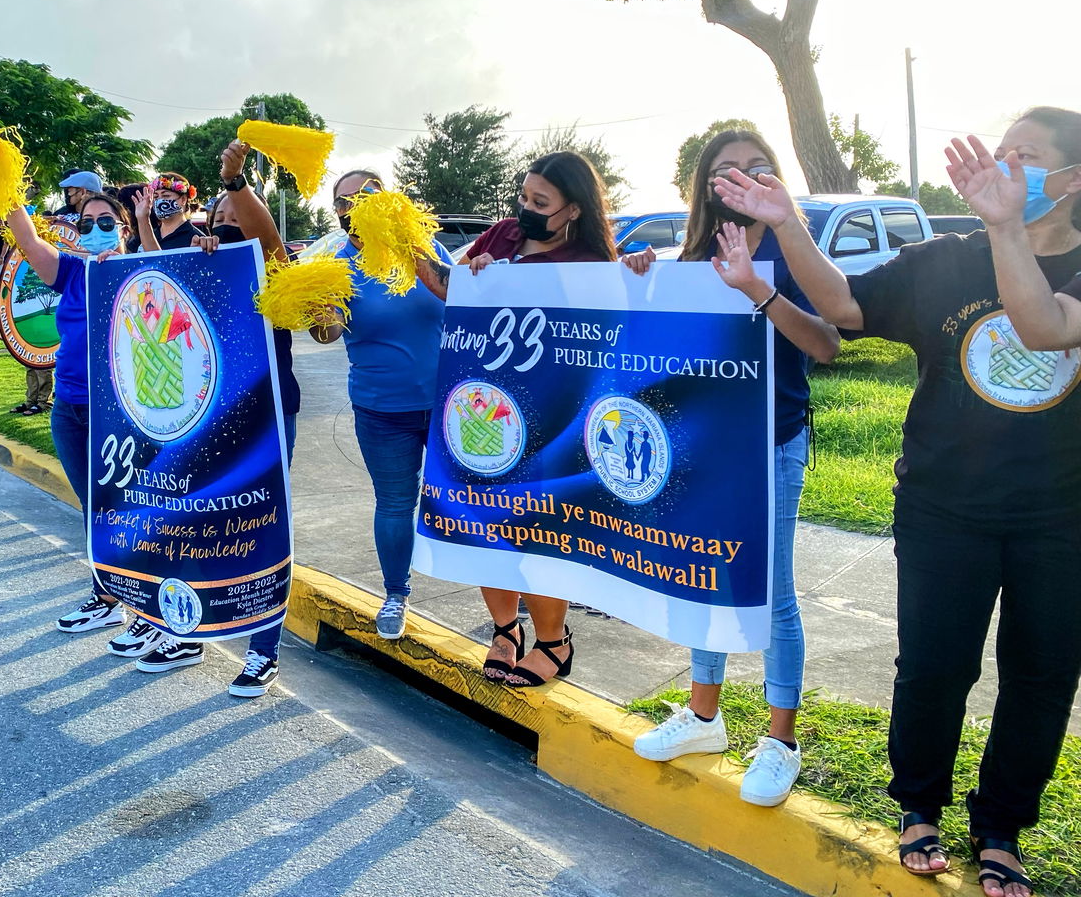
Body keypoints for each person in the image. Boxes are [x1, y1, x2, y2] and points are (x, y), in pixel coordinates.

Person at [712, 109, 1081, 897]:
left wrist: (1007, 230)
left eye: (1030, 157)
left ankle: (1002, 827)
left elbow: (1046, 329)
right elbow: (845, 308)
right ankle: (918, 807)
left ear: (1073, 180)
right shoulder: (943, 261)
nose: (1006, 166)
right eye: (1002, 149)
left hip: (1062, 515)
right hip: (944, 506)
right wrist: (792, 228)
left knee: (1042, 674)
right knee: (935, 667)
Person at [620, 130, 838, 809]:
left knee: (772, 592)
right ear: (704, 187)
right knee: (702, 576)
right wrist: (639, 280)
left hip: (770, 441)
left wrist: (759, 292)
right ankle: (704, 718)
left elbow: (827, 344)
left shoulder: (789, 244)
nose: (741, 180)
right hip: (703, 446)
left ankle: (780, 742)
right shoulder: (691, 256)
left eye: (757, 167)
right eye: (724, 171)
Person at [416, 153, 627, 689]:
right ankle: (505, 630)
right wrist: (472, 274)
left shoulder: (591, 263)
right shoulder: (503, 235)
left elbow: (619, 328)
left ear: (573, 210)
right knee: (485, 524)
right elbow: (452, 291)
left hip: (551, 418)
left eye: (541, 203)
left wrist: (641, 274)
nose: (525, 210)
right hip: (484, 403)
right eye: (524, 197)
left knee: (539, 530)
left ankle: (554, 641)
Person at [114, 141, 303, 696]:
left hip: (266, 413)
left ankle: (263, 652)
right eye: (215, 217)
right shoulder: (199, 267)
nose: (221, 225)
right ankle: (190, 630)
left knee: (262, 528)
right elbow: (151, 276)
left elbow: (266, 239)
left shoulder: (274, 269)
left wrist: (234, 182)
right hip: (202, 418)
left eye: (232, 216)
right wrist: (148, 229)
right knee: (194, 524)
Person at [309, 169, 455, 641]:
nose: (354, 206)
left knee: (476, 504)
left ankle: (503, 612)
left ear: (387, 199)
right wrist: (317, 311)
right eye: (343, 200)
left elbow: (465, 299)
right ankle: (396, 594)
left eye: (366, 195)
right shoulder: (335, 266)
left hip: (453, 406)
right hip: (381, 409)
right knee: (395, 504)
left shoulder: (426, 249)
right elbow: (326, 334)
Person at [4, 189, 132, 635]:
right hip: (68, 406)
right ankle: (108, 596)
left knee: (129, 504)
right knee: (93, 505)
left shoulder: (141, 269)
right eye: (85, 222)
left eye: (105, 221)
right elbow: (29, 240)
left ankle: (145, 600)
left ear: (124, 227)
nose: (94, 229)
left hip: (120, 412)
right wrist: (1, 187)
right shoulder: (73, 272)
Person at [133, 173, 199, 252]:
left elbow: (159, 261)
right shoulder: (148, 233)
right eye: (156, 197)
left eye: (166, 196)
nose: (159, 201)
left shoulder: (196, 239)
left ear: (183, 199)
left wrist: (143, 219)